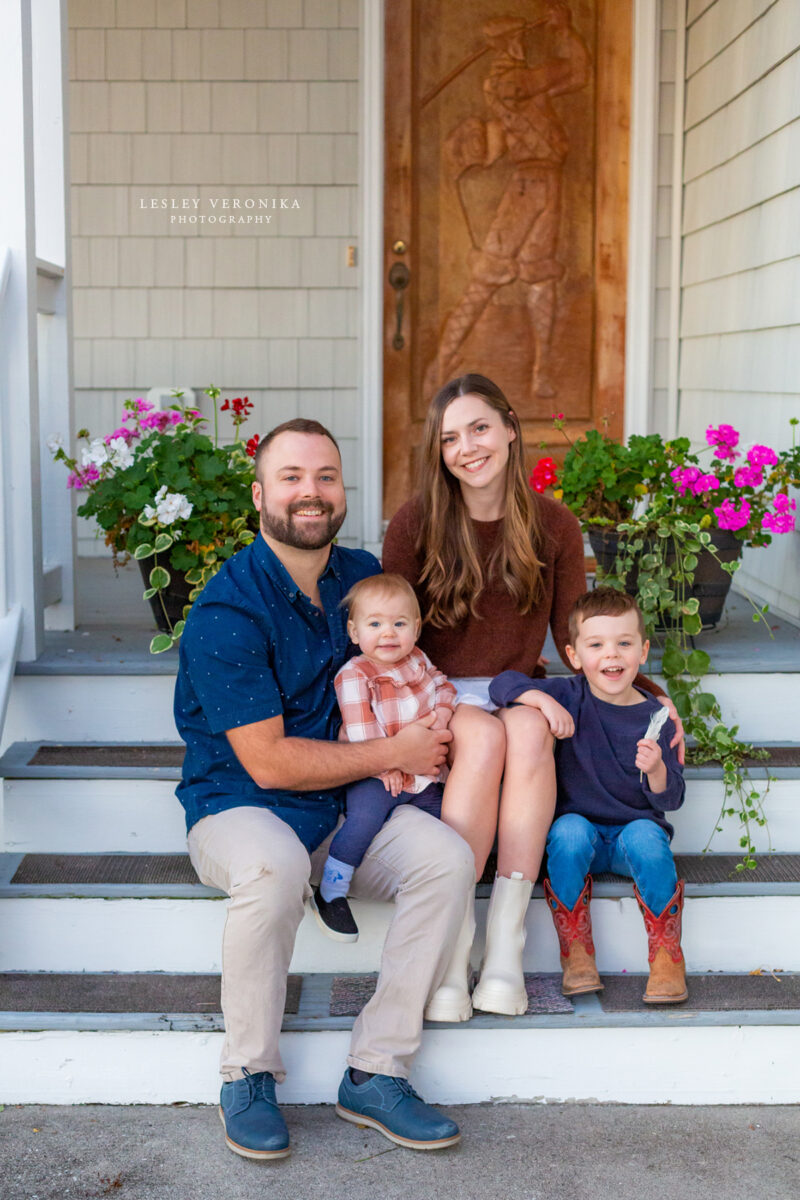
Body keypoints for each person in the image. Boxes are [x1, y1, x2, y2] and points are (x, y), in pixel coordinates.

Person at [174, 418, 473, 1160]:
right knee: (272, 864)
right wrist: (396, 750)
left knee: (446, 858)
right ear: (260, 494)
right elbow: (269, 763)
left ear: (343, 489)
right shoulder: (227, 610)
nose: (311, 493)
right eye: (292, 477)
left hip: (341, 810)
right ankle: (247, 1072)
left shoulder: (361, 578)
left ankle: (376, 1071)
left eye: (326, 477)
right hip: (239, 806)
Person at [382, 374, 682, 1020]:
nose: (468, 448)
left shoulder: (553, 525)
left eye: (480, 428)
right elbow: (393, 639)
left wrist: (652, 699)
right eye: (450, 438)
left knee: (524, 729)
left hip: (517, 687)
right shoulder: (416, 524)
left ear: (510, 429)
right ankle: (449, 952)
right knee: (486, 735)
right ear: (439, 452)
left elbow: (582, 637)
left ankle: (504, 958)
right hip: (435, 689)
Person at [490, 587, 688, 1004]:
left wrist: (656, 770)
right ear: (575, 656)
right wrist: (540, 699)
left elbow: (670, 801)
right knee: (566, 832)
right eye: (596, 645)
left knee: (648, 841)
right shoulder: (570, 695)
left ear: (643, 651)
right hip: (582, 835)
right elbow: (502, 683)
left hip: (634, 832)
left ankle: (667, 955)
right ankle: (576, 952)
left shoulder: (658, 717)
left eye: (624, 643)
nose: (611, 656)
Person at [313, 573, 457, 942]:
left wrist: (442, 713)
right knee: (364, 819)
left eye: (399, 623)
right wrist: (388, 763)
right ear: (355, 632)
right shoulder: (355, 674)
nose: (388, 633)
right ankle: (332, 888)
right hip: (376, 773)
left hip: (422, 774)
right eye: (375, 624)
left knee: (444, 819)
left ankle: (428, 893)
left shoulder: (419, 660)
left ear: (416, 628)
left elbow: (443, 685)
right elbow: (360, 729)